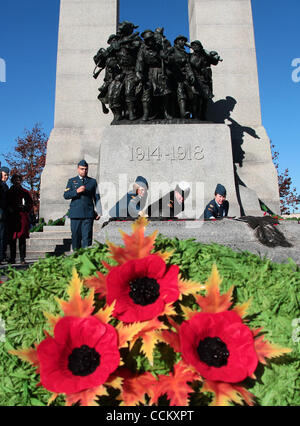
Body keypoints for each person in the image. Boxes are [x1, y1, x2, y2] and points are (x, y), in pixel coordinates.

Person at [63, 160, 102, 250]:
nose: (84, 171)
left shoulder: (92, 182)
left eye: (86, 169)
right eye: (82, 169)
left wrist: (99, 211)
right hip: (75, 214)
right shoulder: (72, 181)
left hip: (88, 214)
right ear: (78, 169)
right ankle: (76, 258)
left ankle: (86, 258)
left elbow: (97, 197)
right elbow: (66, 195)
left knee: (87, 238)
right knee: (76, 237)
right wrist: (76, 191)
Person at [7, 174, 33, 264]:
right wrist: (9, 208)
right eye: (15, 180)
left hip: (22, 216)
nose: (17, 182)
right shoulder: (9, 192)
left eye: (19, 180)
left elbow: (30, 203)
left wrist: (24, 207)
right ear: (12, 181)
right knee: (12, 239)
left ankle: (22, 258)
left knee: (22, 238)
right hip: (12, 217)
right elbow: (6, 203)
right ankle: (12, 257)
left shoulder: (25, 192)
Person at [0, 167, 10, 264]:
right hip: (1, 213)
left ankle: (2, 255)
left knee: (3, 236)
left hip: (4, 214)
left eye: (7, 175)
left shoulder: (5, 186)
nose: (6, 177)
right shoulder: (2, 186)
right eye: (4, 175)